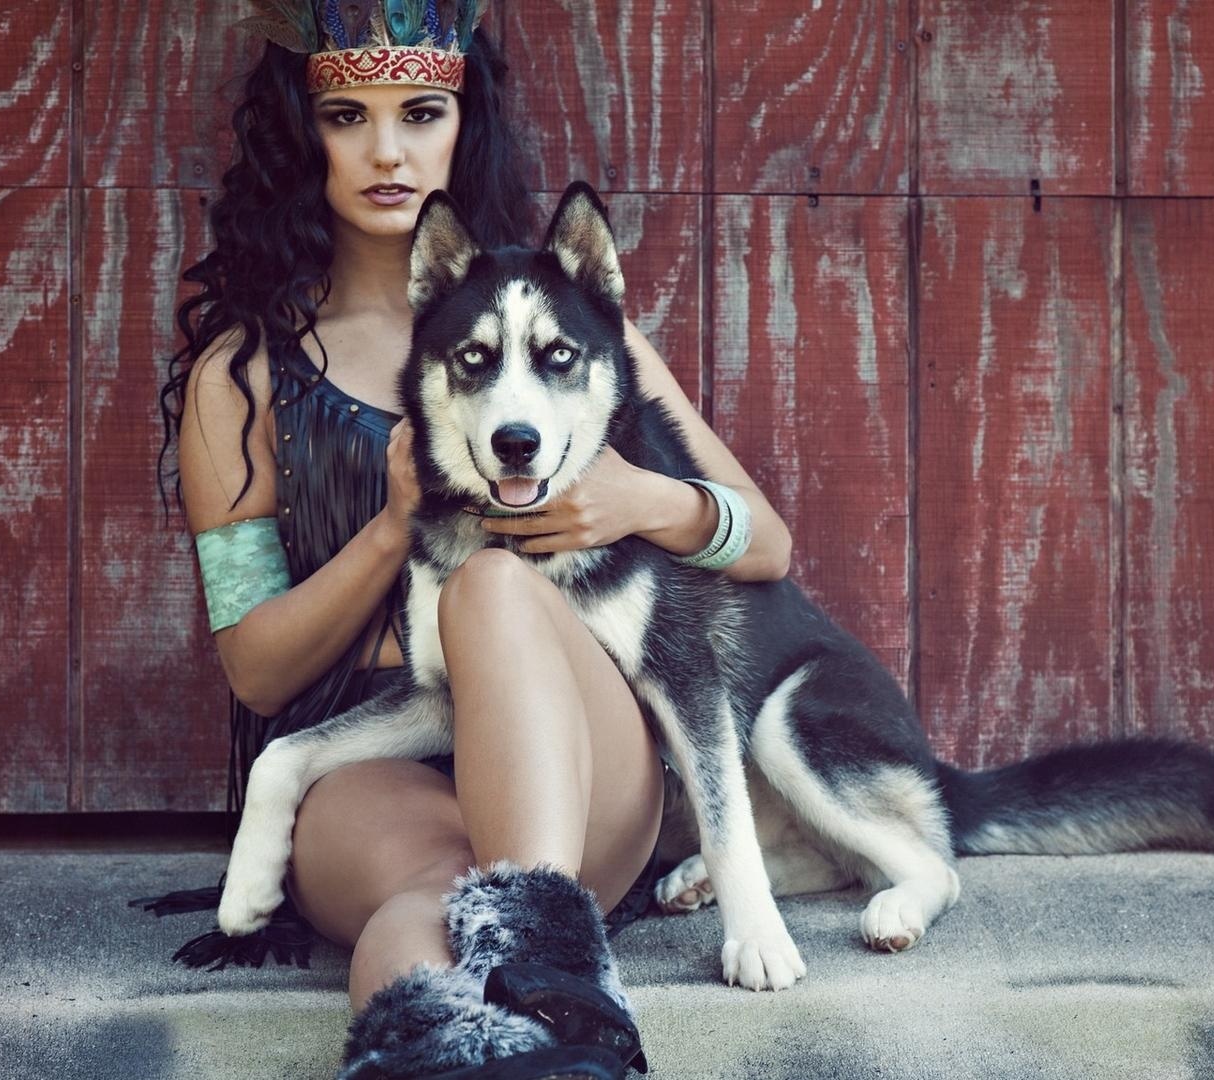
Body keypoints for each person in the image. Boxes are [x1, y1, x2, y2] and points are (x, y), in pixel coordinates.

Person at [136, 3, 794, 1076]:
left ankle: (542, 969)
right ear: (304, 137)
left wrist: (644, 501)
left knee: (489, 587)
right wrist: (394, 525)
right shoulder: (244, 377)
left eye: (420, 113)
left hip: (580, 755)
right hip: (369, 757)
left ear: (463, 127)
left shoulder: (576, 334)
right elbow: (255, 669)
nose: (387, 151)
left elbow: (767, 542)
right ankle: (459, 1053)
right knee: (438, 893)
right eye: (347, 116)